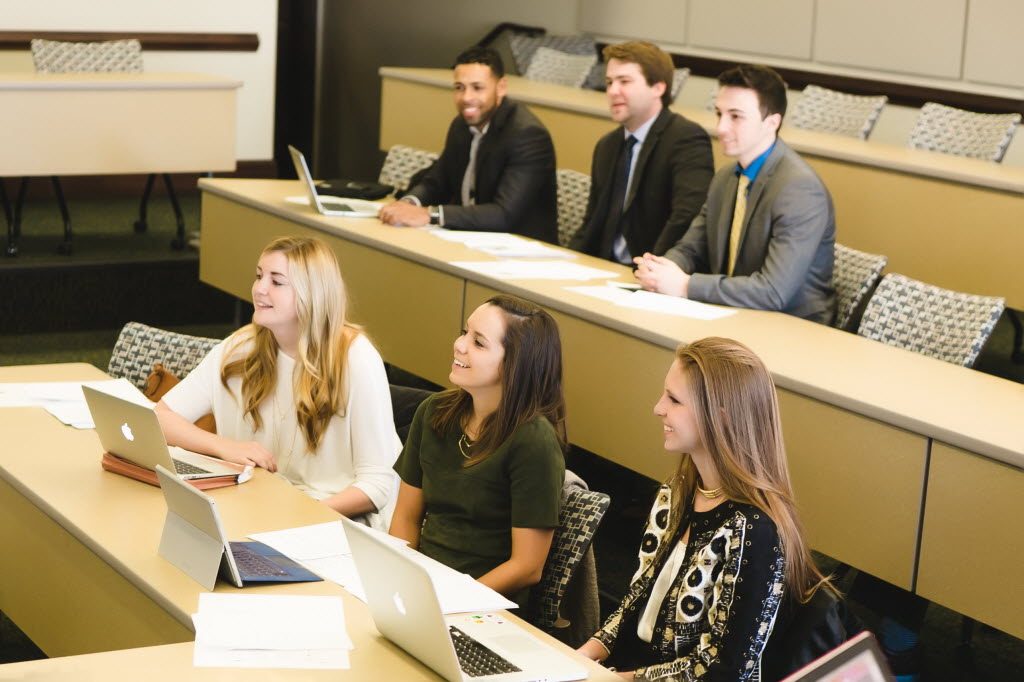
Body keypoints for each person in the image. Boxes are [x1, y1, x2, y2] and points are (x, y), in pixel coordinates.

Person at [577, 337, 835, 679]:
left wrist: (614, 679)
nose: (658, 408)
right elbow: (635, 604)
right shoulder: (678, 492)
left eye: (674, 400)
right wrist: (578, 658)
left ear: (721, 418)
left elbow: (721, 670)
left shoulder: (755, 532)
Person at [156, 236, 401, 530]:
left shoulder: (355, 357)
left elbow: (378, 484)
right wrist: (222, 446)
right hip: (261, 506)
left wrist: (303, 516)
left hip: (333, 516)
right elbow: (161, 417)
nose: (259, 289)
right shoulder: (241, 345)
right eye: (259, 276)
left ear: (313, 293)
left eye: (277, 281)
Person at [389, 294, 566, 605]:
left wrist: (452, 600)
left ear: (515, 364)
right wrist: (397, 582)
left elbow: (527, 567)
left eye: (479, 343)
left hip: (482, 603)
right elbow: (405, 518)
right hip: (425, 586)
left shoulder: (534, 441)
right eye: (464, 332)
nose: (460, 345)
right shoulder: (434, 412)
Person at [634, 65, 837, 324]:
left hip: (793, 326)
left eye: (736, 117)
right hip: (737, 314)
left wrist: (685, 285)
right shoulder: (726, 177)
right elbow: (691, 248)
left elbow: (773, 292)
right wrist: (660, 270)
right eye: (719, 114)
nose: (721, 128)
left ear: (771, 123)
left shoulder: (800, 189)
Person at [378, 46, 558, 243]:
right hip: (472, 240)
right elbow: (437, 181)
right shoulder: (462, 125)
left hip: (521, 252)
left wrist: (430, 214)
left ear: (501, 88)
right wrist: (407, 204)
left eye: (477, 88)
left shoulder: (527, 135)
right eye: (459, 88)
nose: (466, 98)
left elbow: (504, 214)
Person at [569, 41, 713, 262]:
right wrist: (568, 261)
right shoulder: (607, 146)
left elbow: (686, 219)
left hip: (655, 272)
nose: (612, 91)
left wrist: (651, 268)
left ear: (658, 87)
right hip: (605, 269)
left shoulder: (686, 139)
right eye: (609, 82)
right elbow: (592, 223)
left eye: (624, 81)